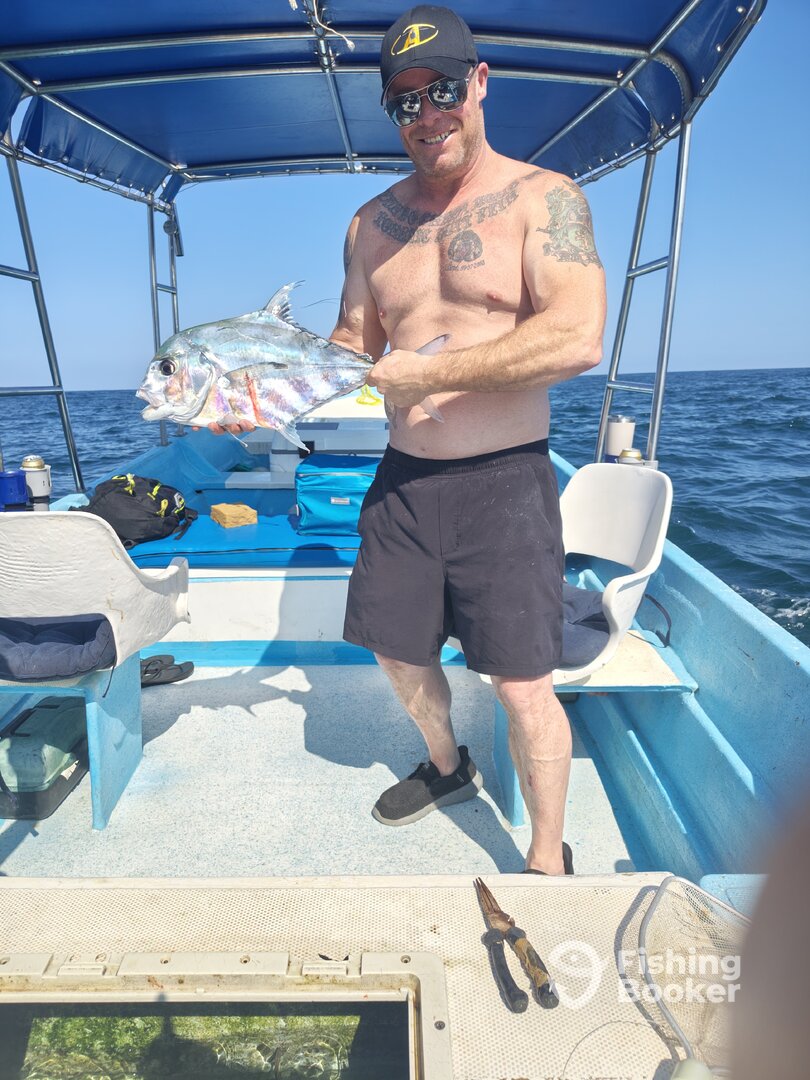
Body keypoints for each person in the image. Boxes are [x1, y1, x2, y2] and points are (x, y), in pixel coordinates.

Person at [330, 5, 606, 875]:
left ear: (479, 83)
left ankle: (547, 859)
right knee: (396, 653)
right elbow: (353, 344)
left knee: (522, 685)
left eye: (442, 90)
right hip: (404, 482)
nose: (427, 115)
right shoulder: (369, 225)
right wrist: (258, 387)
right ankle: (448, 766)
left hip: (506, 487)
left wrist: (433, 376)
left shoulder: (543, 199)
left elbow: (577, 337)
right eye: (405, 102)